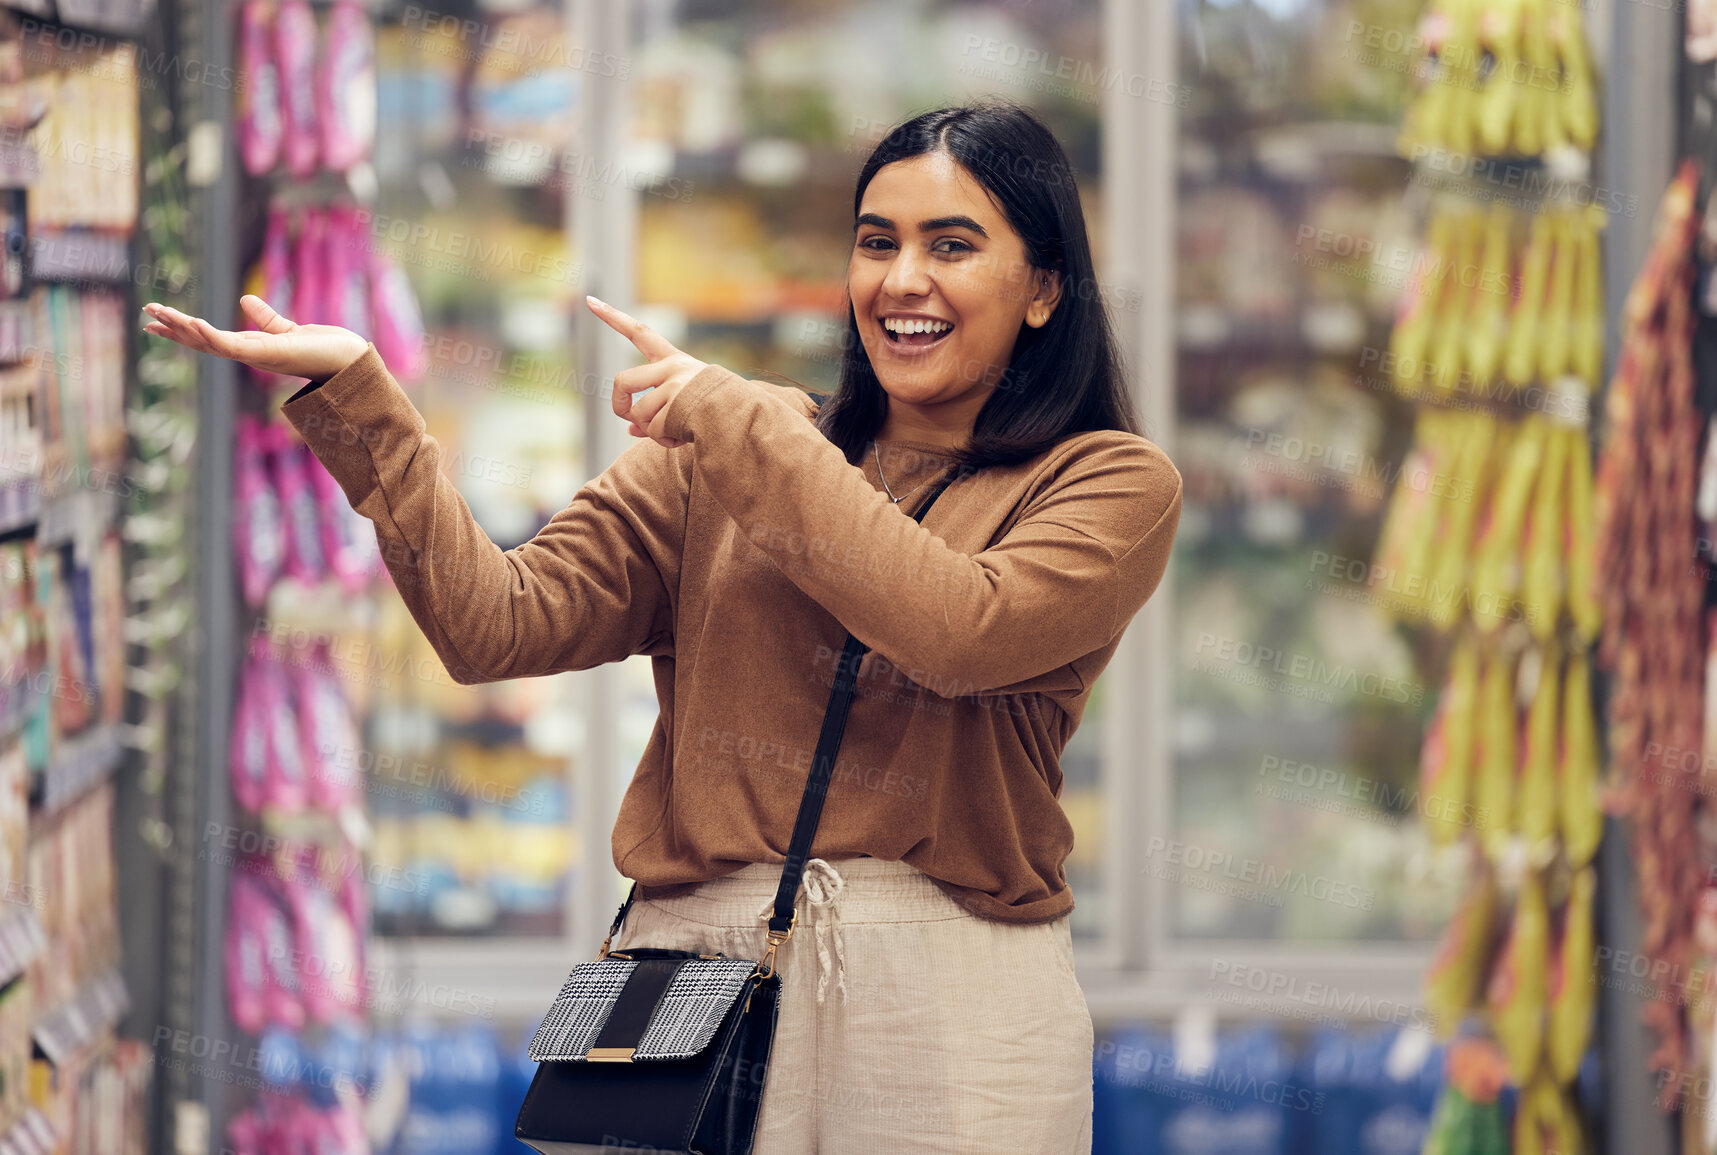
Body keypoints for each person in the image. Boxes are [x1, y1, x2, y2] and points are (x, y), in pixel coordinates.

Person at [144, 96, 1182, 1155]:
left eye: (952, 246)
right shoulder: (726, 455)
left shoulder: (1106, 483)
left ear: (1045, 287)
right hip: (691, 980)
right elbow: (493, 628)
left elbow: (957, 630)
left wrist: (740, 422)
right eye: (877, 243)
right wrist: (364, 404)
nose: (902, 280)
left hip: (954, 1012)